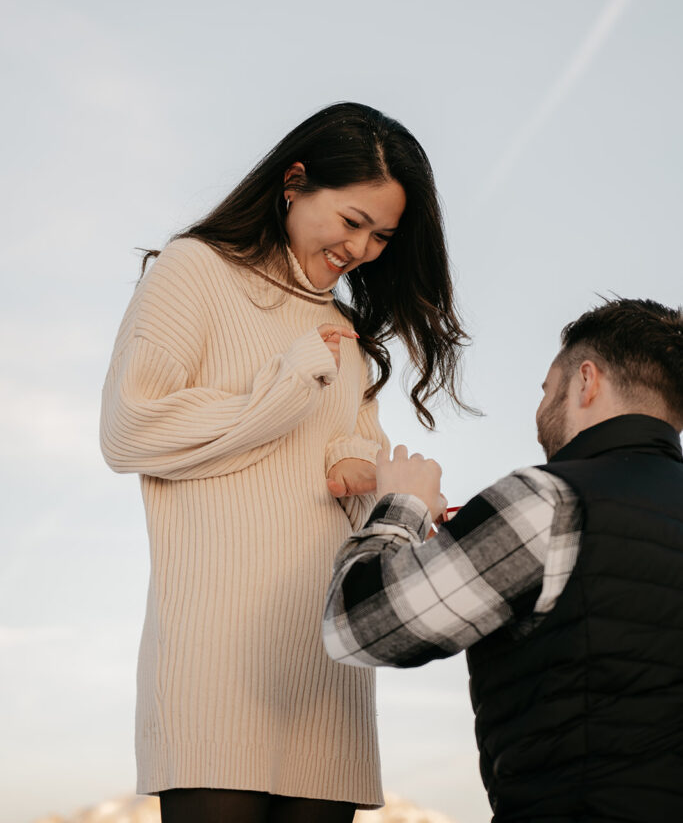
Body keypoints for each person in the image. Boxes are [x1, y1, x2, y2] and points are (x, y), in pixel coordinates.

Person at [100, 101, 468, 823]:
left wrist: (376, 484)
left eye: (382, 236)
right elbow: (131, 431)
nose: (361, 249)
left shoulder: (344, 336)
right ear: (294, 182)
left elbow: (332, 475)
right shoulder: (194, 269)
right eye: (352, 221)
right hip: (216, 652)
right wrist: (291, 381)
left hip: (326, 660)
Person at [323, 297, 683, 822]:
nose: (539, 413)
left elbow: (356, 626)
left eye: (546, 389)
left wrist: (400, 507)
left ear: (586, 380)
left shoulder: (546, 502)